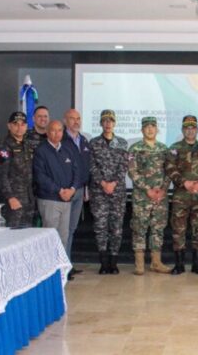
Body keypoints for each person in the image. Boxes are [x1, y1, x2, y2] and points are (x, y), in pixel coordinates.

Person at [33, 120, 80, 280]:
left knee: (64, 237)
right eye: (53, 131)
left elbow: (76, 171)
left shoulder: (66, 149)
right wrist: (59, 190)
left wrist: (72, 189)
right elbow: (40, 176)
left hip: (67, 200)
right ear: (47, 132)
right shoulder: (41, 151)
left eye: (60, 130)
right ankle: (50, 273)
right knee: (50, 237)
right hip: (50, 200)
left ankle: (61, 271)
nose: (57, 133)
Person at [165, 115, 198, 275]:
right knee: (179, 230)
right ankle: (179, 264)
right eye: (187, 128)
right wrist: (184, 182)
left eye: (193, 128)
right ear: (183, 130)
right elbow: (170, 168)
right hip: (181, 196)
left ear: (197, 130)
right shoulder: (174, 147)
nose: (190, 131)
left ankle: (197, 264)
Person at [128, 116, 172, 275]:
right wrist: (147, 189)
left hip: (160, 197)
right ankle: (139, 264)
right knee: (139, 228)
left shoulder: (164, 149)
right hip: (142, 197)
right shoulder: (135, 149)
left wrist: (163, 189)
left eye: (153, 126)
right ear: (142, 129)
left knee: (158, 229)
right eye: (147, 126)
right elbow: (132, 171)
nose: (150, 129)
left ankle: (156, 262)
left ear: (157, 129)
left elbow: (169, 171)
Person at [89, 110, 129, 275]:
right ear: (101, 123)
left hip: (117, 192)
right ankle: (103, 262)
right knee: (100, 227)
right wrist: (103, 183)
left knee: (116, 228)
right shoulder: (93, 143)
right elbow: (91, 165)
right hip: (99, 192)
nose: (108, 124)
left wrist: (113, 183)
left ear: (114, 123)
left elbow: (124, 166)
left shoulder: (122, 143)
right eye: (105, 121)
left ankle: (114, 262)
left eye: (110, 121)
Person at [62, 109, 91, 276]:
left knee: (71, 229)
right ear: (65, 121)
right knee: (64, 230)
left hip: (80, 190)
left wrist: (87, 188)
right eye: (72, 119)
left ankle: (68, 263)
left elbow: (86, 168)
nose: (76, 122)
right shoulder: (62, 140)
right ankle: (63, 266)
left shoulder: (84, 141)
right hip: (66, 192)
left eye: (78, 118)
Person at [0, 111, 36, 228]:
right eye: (16, 124)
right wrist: (10, 197)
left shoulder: (27, 145)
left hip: (28, 199)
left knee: (27, 236)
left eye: (22, 124)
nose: (19, 127)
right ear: (9, 126)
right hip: (13, 202)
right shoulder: (4, 147)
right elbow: (1, 175)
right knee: (13, 235)